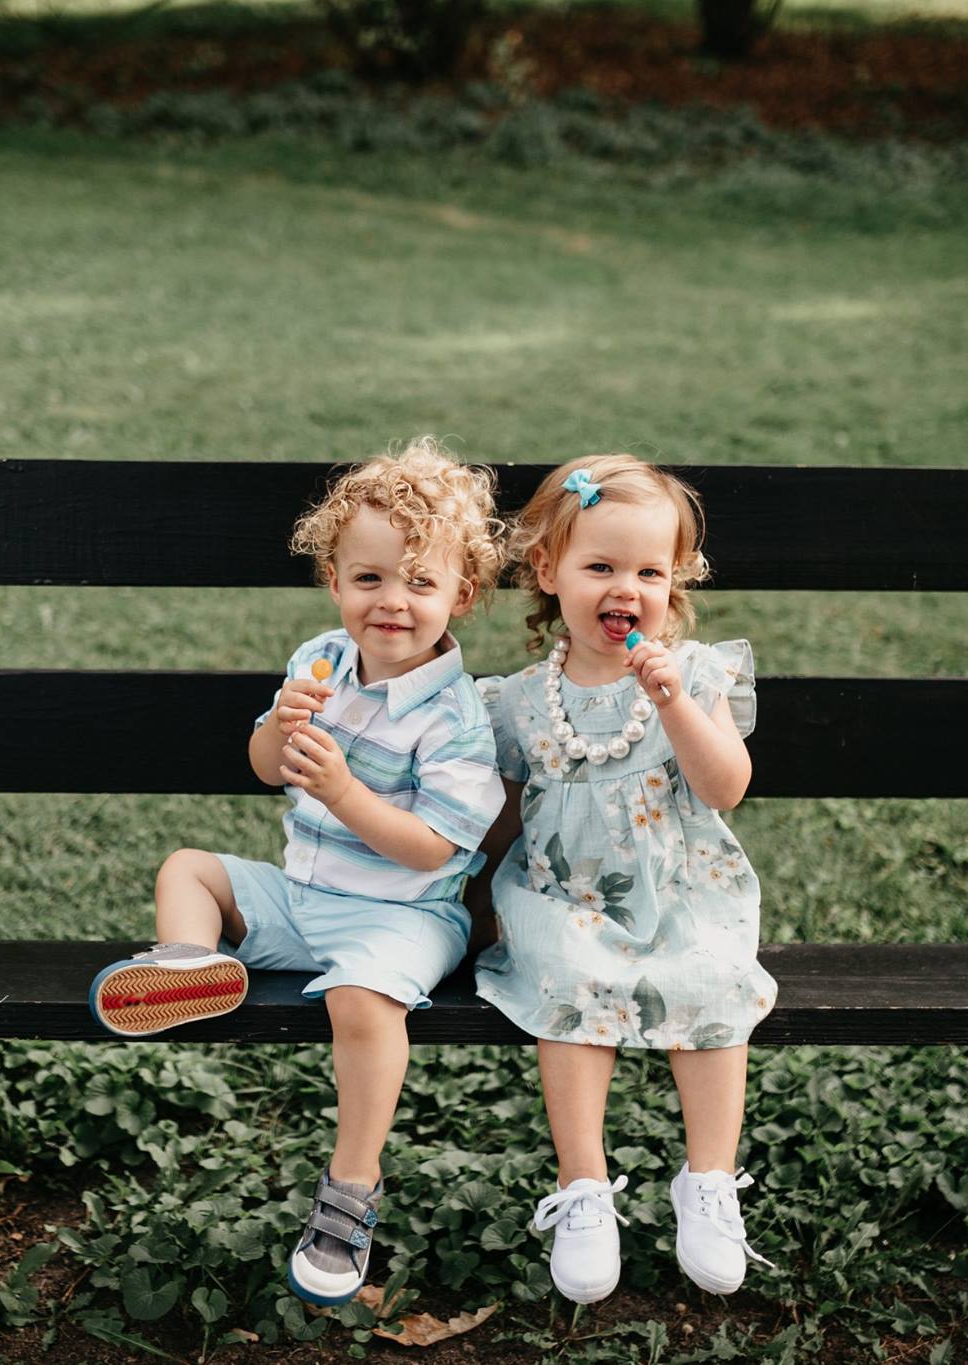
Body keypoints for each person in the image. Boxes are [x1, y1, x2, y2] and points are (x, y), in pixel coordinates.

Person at [89, 437, 508, 1308]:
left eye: (419, 584)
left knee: (361, 1002)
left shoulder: (455, 716)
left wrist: (348, 791)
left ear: (460, 595)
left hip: (405, 913)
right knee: (191, 868)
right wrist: (281, 725)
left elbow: (436, 848)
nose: (391, 602)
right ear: (334, 578)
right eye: (369, 580)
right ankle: (189, 963)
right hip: (303, 894)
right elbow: (260, 764)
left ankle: (350, 1189)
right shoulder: (319, 660)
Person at [470, 454, 779, 1306]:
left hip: (682, 891)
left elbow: (727, 789)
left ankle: (708, 1181)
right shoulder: (521, 702)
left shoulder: (698, 675)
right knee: (567, 985)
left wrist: (677, 703)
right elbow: (500, 816)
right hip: (560, 897)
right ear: (548, 571)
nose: (626, 588)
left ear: (673, 582)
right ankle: (585, 1189)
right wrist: (474, 909)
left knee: (714, 978)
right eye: (600, 566)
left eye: (649, 570)